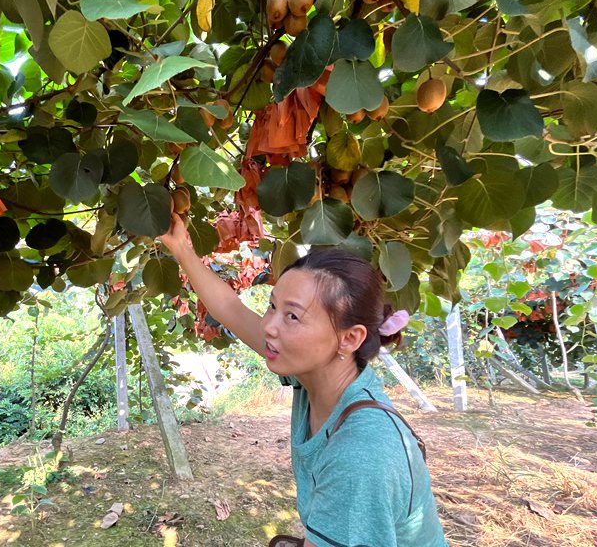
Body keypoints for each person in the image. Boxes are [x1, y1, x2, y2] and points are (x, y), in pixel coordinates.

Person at [158, 213, 448, 547]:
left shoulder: (360, 454)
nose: (269, 326)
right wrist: (182, 248)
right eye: (272, 307)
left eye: (292, 316)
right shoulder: (321, 374)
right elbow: (231, 309)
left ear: (350, 338)